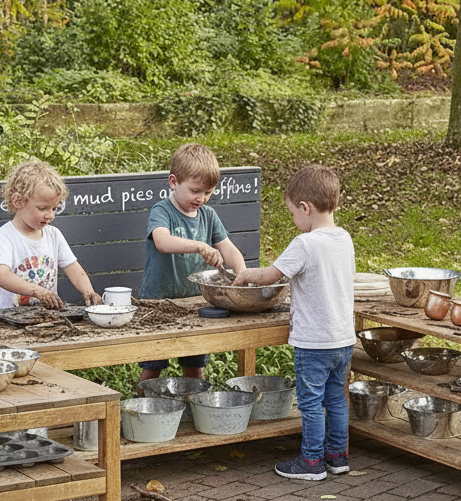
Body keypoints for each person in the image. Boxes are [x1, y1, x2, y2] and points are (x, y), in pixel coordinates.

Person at [232, 165, 355, 480]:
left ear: (305, 208)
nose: (294, 221)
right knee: (336, 399)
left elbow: (271, 275)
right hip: (342, 339)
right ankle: (337, 457)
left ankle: (311, 463)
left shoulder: (305, 244)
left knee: (311, 403)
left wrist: (246, 274)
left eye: (293, 214)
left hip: (313, 342)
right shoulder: (344, 238)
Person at [137, 143, 247, 387]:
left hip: (195, 305)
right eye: (195, 191)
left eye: (208, 192)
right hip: (159, 304)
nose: (201, 198)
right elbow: (162, 241)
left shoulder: (208, 215)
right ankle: (140, 410)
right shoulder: (162, 210)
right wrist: (200, 245)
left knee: (195, 368)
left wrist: (241, 273)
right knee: (152, 368)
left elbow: (228, 248)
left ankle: (193, 409)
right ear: (174, 182)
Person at [0, 160, 102, 310]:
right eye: (42, 208)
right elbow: (2, 276)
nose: (50, 215)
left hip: (44, 315)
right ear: (18, 201)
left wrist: (88, 291)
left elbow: (72, 267)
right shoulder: (4, 236)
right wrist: (37, 291)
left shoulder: (54, 235)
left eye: (55, 208)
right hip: (7, 317)